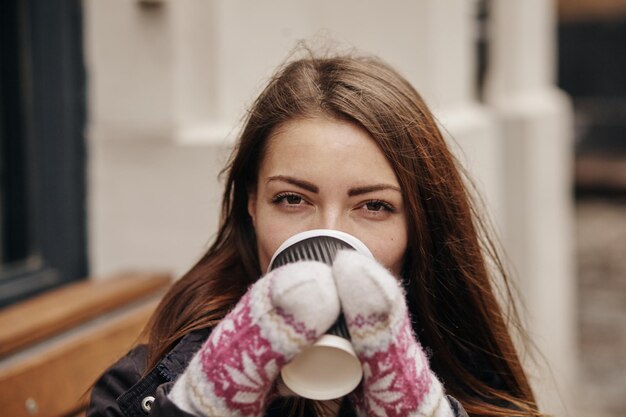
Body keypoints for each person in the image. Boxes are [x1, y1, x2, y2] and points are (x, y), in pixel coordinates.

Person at [87, 52, 544, 417]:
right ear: (251, 205)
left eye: (374, 206)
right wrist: (200, 405)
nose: (329, 233)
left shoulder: (465, 371)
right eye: (292, 199)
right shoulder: (154, 376)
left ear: (418, 225)